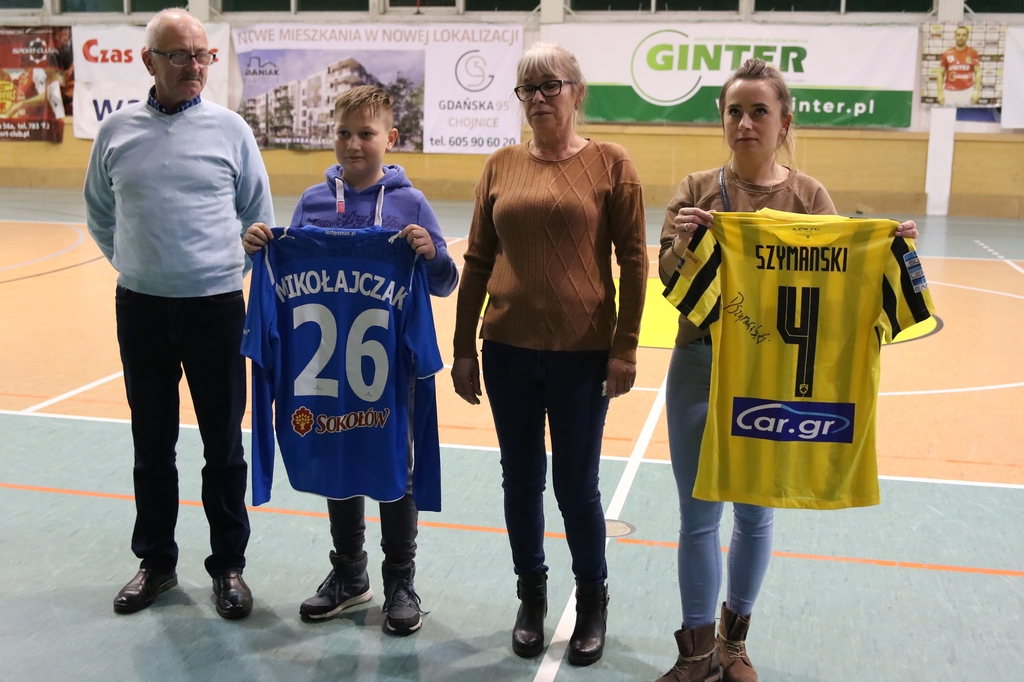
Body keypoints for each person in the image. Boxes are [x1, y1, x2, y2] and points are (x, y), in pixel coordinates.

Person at [655, 58, 919, 682]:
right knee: (698, 515)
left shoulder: (809, 198)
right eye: (734, 111)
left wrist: (887, 249)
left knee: (754, 512)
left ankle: (733, 645)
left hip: (769, 375)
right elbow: (668, 282)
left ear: (784, 122)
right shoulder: (695, 189)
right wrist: (684, 245)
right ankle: (695, 654)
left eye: (759, 111)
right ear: (722, 119)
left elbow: (839, 286)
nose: (745, 123)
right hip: (699, 364)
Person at [451, 43, 648, 666]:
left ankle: (592, 600)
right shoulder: (500, 165)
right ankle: (531, 598)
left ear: (577, 92)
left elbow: (634, 262)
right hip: (506, 349)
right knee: (520, 480)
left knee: (576, 487)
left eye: (550, 86)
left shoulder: (613, 163)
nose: (537, 98)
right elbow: (477, 260)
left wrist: (625, 347)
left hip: (583, 355)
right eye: (527, 89)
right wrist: (463, 348)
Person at [242, 85, 458, 635]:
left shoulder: (410, 204)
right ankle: (349, 573)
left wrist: (431, 254)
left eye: (366, 133)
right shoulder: (313, 203)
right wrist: (264, 244)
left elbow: (444, 282)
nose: (354, 143)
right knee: (337, 456)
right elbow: (284, 274)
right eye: (343, 132)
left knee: (394, 467)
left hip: (390, 371)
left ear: (391, 137)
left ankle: (400, 581)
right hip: (324, 369)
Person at [84, 8, 274, 620]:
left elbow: (258, 217)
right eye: (181, 55)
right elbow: (100, 213)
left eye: (202, 55)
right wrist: (136, 265)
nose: (195, 66)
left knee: (223, 446)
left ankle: (229, 568)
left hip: (216, 308)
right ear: (149, 61)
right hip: (140, 308)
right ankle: (156, 564)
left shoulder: (231, 131)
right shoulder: (115, 132)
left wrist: (220, 271)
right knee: (151, 443)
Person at [937, 25, 981, 107]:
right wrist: (940, 93)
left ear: (967, 37)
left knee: (966, 115)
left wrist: (976, 92)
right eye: (958, 35)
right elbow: (940, 73)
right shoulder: (947, 53)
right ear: (955, 37)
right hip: (949, 92)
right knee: (949, 114)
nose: (961, 37)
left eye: (964, 35)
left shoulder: (973, 53)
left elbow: (978, 72)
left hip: (967, 91)